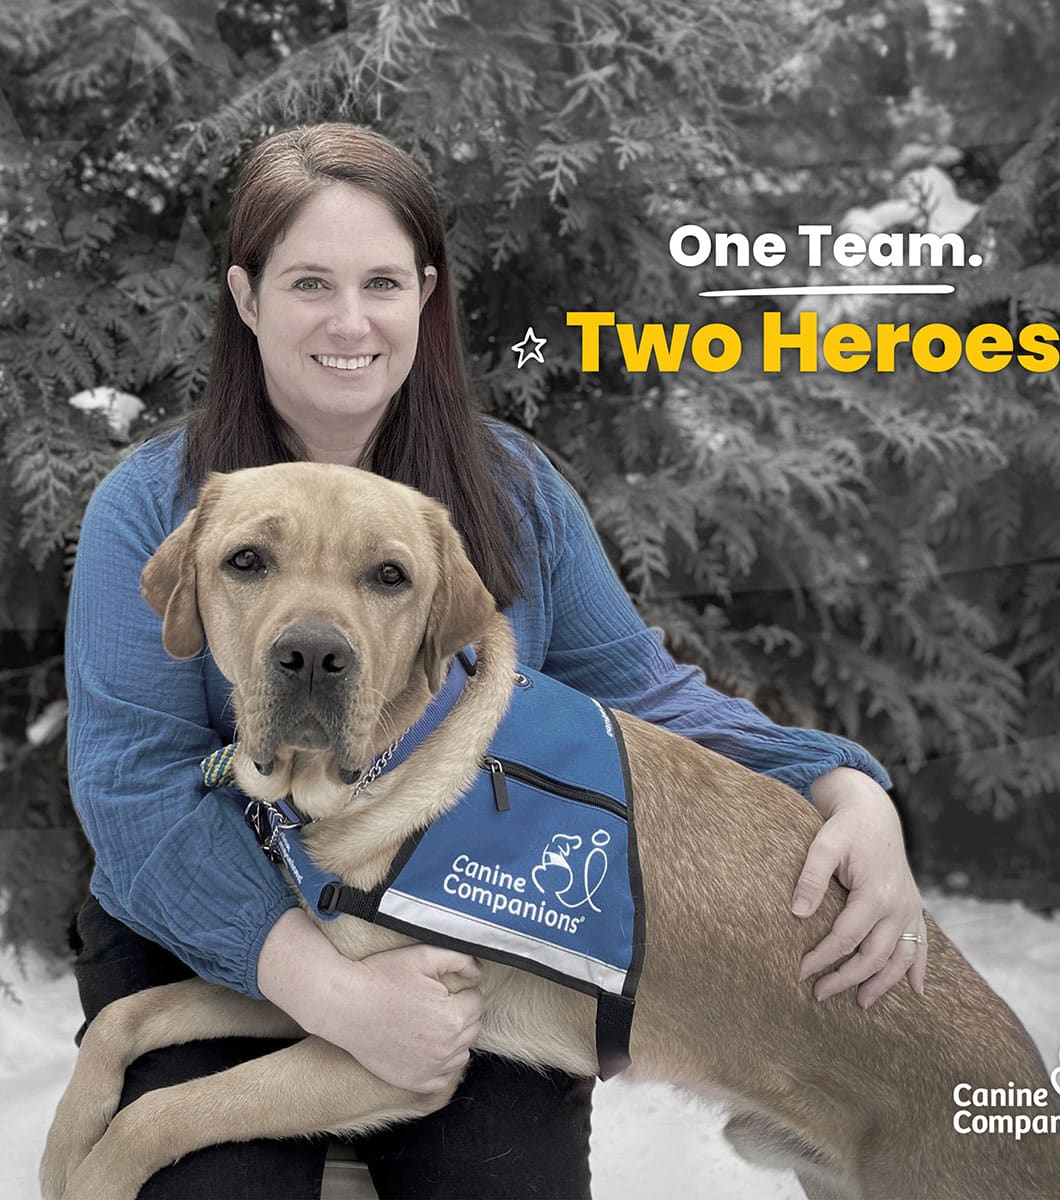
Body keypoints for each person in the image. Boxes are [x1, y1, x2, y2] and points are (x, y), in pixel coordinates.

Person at [64, 123, 928, 1200]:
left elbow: (643, 697)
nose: (349, 321)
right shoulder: (153, 503)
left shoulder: (511, 491)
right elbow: (134, 786)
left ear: (426, 300)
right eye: (309, 284)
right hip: (204, 926)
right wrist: (325, 987)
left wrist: (845, 784)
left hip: (469, 918)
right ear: (246, 298)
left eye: (383, 283)